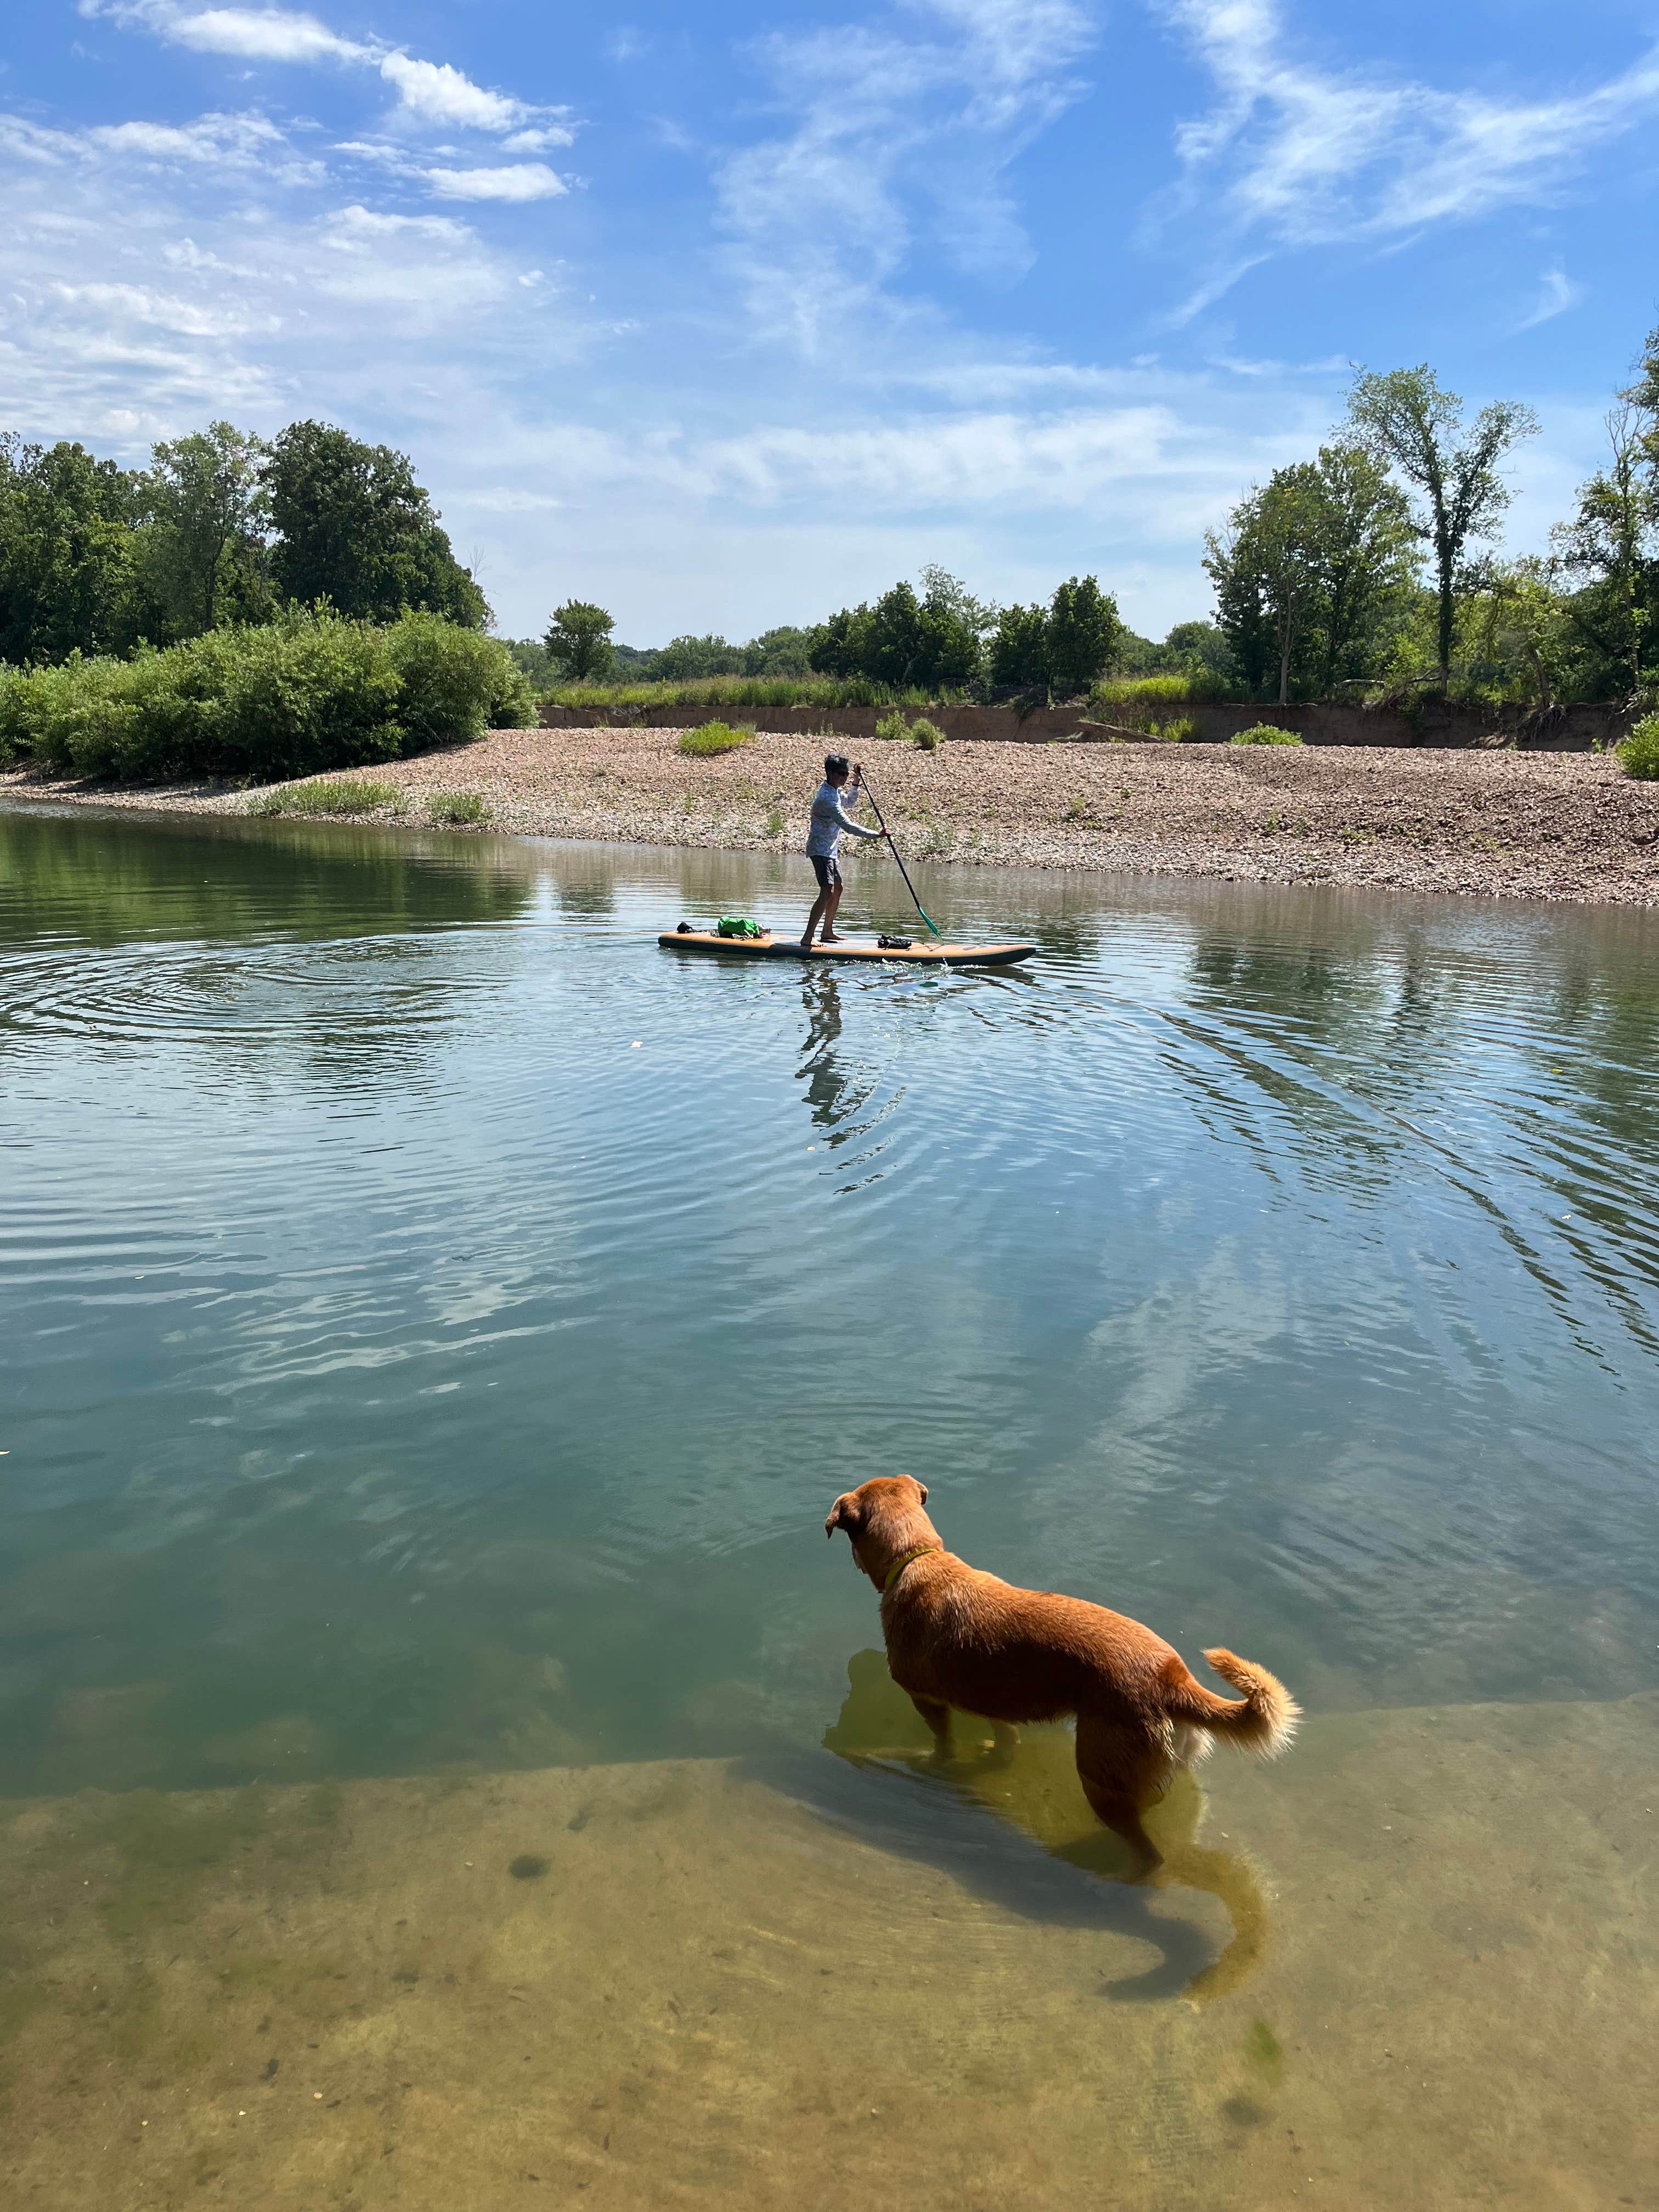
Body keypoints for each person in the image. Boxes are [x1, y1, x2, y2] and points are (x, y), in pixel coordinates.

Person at [802, 753, 881, 948]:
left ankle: (827, 931)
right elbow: (848, 826)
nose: (844, 777)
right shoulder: (826, 798)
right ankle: (808, 937)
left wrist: (856, 781)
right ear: (830, 773)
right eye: (841, 774)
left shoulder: (835, 791)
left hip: (830, 850)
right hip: (820, 849)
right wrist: (876, 835)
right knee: (827, 891)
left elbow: (850, 803)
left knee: (838, 888)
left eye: (846, 774)